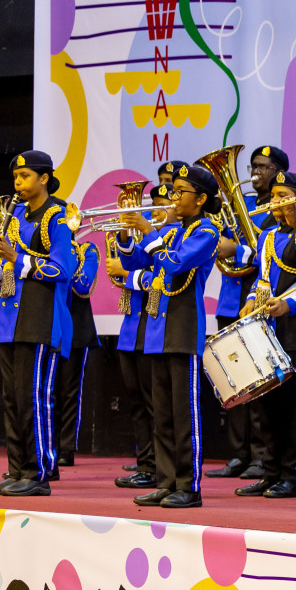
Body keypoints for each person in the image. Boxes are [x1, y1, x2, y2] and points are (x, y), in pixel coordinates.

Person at [109, 163, 222, 509]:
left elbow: (173, 264)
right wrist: (127, 236)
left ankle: (189, 486)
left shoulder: (206, 232)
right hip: (158, 330)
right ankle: (166, 480)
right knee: (162, 412)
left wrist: (149, 230)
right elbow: (132, 264)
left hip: (184, 328)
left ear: (200, 199)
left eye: (180, 193)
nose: (172, 198)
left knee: (183, 413)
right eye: (172, 191)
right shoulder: (171, 232)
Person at [0, 151, 76, 498]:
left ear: (43, 178)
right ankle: (18, 468)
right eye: (15, 177)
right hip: (10, 319)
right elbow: (9, 269)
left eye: (24, 176)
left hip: (40, 317)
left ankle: (37, 473)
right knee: (13, 399)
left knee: (33, 398)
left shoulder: (58, 216)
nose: (17, 183)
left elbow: (63, 269)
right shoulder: (15, 215)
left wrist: (16, 259)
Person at [235, 171, 296, 499]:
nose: (276, 202)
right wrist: (248, 305)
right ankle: (269, 471)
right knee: (266, 404)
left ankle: (291, 474)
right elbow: (262, 279)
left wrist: (290, 306)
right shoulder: (268, 236)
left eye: (283, 195)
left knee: (292, 405)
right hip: (267, 330)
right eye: (273, 197)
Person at [206, 145, 282, 482]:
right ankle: (238, 454)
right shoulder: (241, 206)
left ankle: (260, 456)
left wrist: (238, 249)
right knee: (232, 380)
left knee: (259, 382)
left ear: (278, 170)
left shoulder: (279, 207)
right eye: (253, 165)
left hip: (259, 301)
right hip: (229, 300)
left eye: (264, 166)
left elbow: (270, 254)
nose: (255, 171)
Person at [111, 183, 172, 490]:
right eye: (154, 205)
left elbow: (163, 276)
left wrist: (127, 275)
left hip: (155, 325)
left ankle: (160, 467)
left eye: (163, 205)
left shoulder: (172, 238)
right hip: (131, 328)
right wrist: (124, 232)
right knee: (136, 402)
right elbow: (131, 262)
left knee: (154, 404)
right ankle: (146, 464)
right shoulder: (152, 237)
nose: (156, 211)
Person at [54, 234, 100, 466]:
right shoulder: (47, 251)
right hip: (50, 325)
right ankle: (47, 444)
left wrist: (66, 255)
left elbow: (82, 284)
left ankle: (66, 448)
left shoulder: (86, 250)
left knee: (69, 391)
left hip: (76, 329)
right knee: (46, 390)